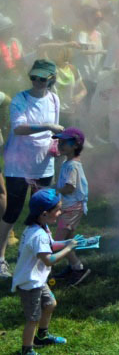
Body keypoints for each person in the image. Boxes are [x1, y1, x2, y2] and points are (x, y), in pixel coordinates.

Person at [0, 59, 64, 277]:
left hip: (43, 164)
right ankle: (0, 259)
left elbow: (53, 132)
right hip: (19, 165)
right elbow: (18, 129)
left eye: (42, 78)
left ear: (51, 79)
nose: (37, 81)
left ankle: (39, 253)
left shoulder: (54, 99)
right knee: (13, 212)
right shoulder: (20, 99)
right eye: (34, 77)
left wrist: (56, 144)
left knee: (44, 212)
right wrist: (47, 126)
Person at [12, 189, 77, 355]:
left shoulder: (41, 227)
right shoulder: (38, 235)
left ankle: (42, 336)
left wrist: (66, 242)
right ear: (44, 214)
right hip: (29, 283)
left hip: (37, 280)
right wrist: (68, 249)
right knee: (33, 318)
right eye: (58, 210)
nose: (60, 212)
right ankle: (26, 350)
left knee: (50, 304)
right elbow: (49, 259)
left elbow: (51, 245)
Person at [52, 128, 89, 286]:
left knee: (59, 242)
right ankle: (73, 267)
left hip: (71, 208)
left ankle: (78, 268)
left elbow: (70, 188)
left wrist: (54, 189)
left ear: (75, 145)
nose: (60, 145)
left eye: (64, 142)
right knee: (67, 240)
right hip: (72, 207)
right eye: (59, 142)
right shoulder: (69, 163)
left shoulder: (72, 165)